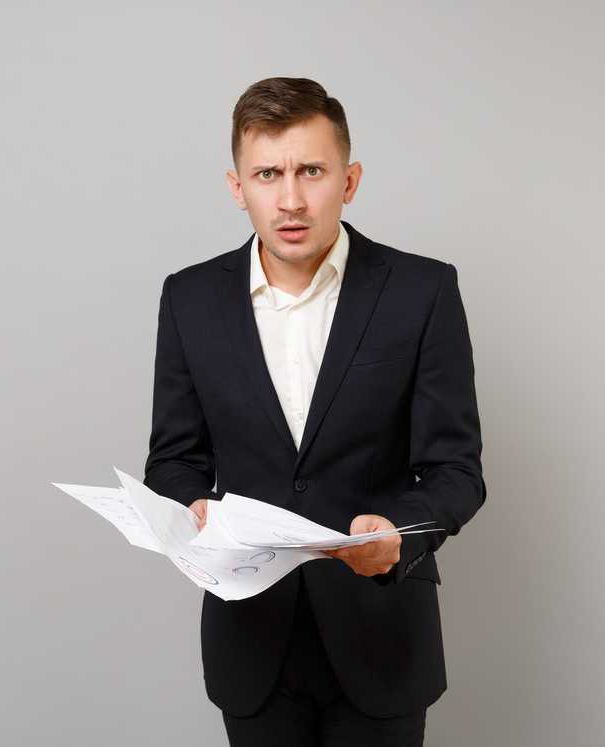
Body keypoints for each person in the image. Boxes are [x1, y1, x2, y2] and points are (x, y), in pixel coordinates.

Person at [143, 76, 486, 747]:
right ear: (237, 186)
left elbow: (457, 470)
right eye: (268, 173)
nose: (291, 197)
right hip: (252, 644)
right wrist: (194, 509)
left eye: (312, 170)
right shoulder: (188, 299)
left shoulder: (422, 291)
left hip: (383, 635)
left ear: (349, 179)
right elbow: (174, 460)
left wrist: (399, 532)